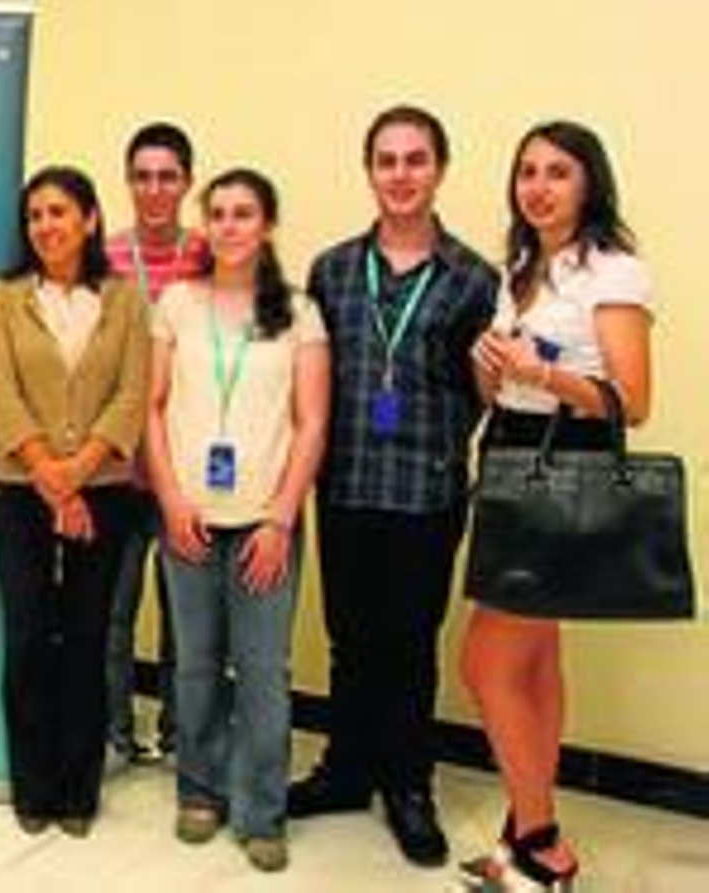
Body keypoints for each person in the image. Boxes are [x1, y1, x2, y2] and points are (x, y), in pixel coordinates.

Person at [291, 105, 500, 867]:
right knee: (350, 639)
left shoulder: (475, 277)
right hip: (345, 483)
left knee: (410, 644)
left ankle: (410, 786)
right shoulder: (332, 268)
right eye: (387, 160)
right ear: (369, 171)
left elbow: (482, 390)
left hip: (425, 490)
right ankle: (346, 769)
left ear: (439, 169)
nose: (401, 174)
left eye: (416, 159)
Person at [459, 121, 652, 891]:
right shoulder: (522, 270)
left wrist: (540, 372)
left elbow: (630, 401)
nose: (537, 186)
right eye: (527, 171)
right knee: (535, 660)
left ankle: (543, 841)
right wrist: (490, 364)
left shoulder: (613, 270)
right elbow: (502, 386)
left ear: (589, 183)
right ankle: (522, 830)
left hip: (563, 461)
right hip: (509, 451)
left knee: (484, 663)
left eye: (558, 172)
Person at [146, 168, 329, 873]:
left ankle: (260, 809)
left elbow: (312, 423)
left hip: (264, 522)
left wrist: (281, 517)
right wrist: (171, 499)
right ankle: (200, 789)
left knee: (262, 670)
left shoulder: (300, 312)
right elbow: (153, 408)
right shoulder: (177, 303)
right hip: (188, 516)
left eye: (243, 213)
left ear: (268, 225)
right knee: (193, 665)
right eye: (217, 213)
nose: (228, 225)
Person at [0, 165, 148, 838]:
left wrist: (77, 478)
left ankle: (78, 789)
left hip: (103, 494)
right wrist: (52, 477)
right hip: (19, 491)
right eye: (35, 215)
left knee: (85, 640)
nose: (46, 225)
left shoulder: (126, 298)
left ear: (90, 219)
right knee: (26, 638)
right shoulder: (2, 297)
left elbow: (131, 396)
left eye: (59, 212)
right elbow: (2, 396)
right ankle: (34, 786)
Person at [103, 121, 210, 766]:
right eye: (142, 176)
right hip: (115, 469)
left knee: (187, 623)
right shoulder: (105, 257)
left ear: (188, 182)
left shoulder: (211, 255)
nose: (154, 189)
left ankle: (181, 737)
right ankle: (114, 735)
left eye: (168, 176)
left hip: (187, 470)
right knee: (112, 617)